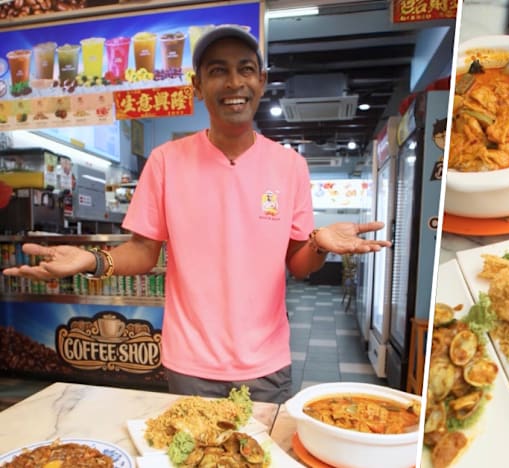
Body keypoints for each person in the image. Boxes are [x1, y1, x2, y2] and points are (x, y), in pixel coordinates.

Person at [2, 26, 391, 403]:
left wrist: (319, 245)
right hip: (189, 363)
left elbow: (299, 264)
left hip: (265, 362)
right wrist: (90, 258)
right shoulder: (166, 161)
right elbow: (143, 251)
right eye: (218, 70)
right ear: (197, 85)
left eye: (245, 68)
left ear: (262, 80)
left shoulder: (289, 166)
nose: (234, 82)